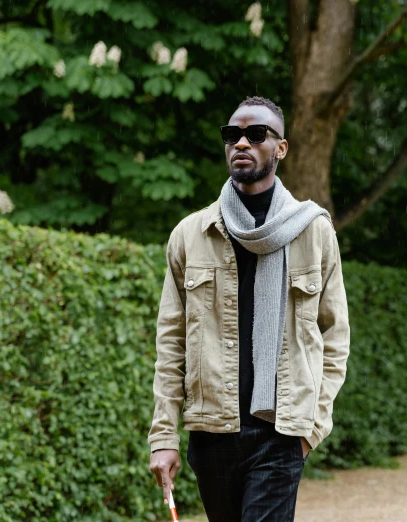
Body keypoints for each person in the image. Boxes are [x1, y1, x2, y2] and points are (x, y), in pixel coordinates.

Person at [148, 96, 350, 521]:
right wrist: (163, 436)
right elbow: (171, 345)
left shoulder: (313, 232)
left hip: (280, 434)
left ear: (280, 147)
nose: (241, 142)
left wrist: (311, 429)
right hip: (212, 433)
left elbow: (335, 338)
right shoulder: (190, 234)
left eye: (256, 134)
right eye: (232, 134)